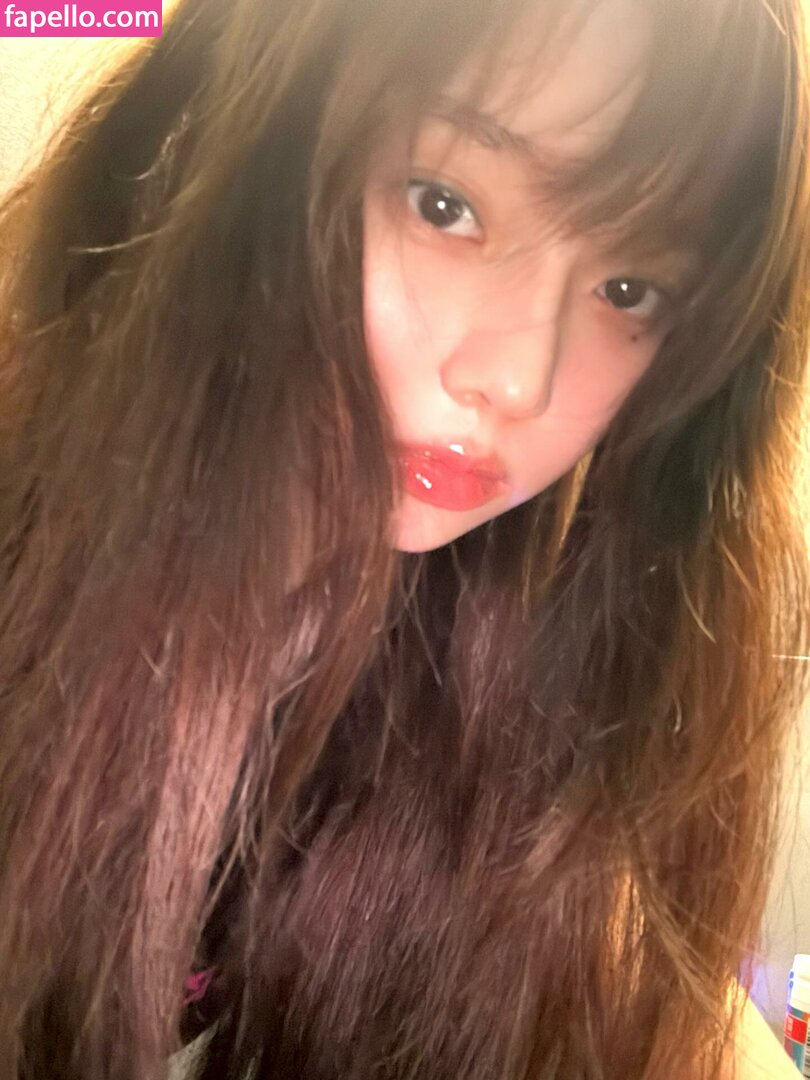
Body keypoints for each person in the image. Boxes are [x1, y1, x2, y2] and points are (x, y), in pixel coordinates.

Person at [0, 0, 807, 1077]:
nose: (517, 380)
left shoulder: (494, 671)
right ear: (237, 143)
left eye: (629, 290)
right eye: (444, 205)